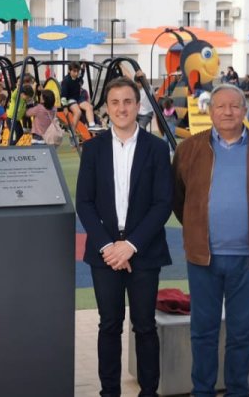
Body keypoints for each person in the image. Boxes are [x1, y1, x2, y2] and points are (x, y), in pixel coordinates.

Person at [172, 84, 249, 397]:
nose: (227, 112)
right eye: (220, 106)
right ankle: (203, 391)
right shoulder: (189, 149)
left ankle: (238, 391)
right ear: (210, 111)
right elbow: (180, 199)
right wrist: (198, 228)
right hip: (203, 258)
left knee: (241, 333)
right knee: (203, 332)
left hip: (247, 258)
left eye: (234, 106)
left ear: (244, 111)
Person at [76, 77, 174, 397]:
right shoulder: (92, 149)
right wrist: (109, 246)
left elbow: (163, 203)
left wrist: (130, 246)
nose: (121, 108)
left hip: (143, 251)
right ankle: (109, 392)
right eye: (115, 102)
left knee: (144, 326)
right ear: (106, 108)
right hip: (105, 254)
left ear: (138, 105)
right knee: (109, 325)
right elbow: (85, 203)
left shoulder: (157, 148)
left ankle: (149, 391)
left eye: (127, 102)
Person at [61, 62, 101, 129]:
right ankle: (72, 131)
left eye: (77, 71)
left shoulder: (77, 77)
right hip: (70, 99)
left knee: (89, 107)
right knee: (78, 112)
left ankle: (92, 125)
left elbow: (81, 75)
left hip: (78, 98)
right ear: (69, 71)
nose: (76, 73)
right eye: (74, 71)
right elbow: (63, 96)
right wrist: (64, 107)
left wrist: (83, 68)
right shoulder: (66, 81)